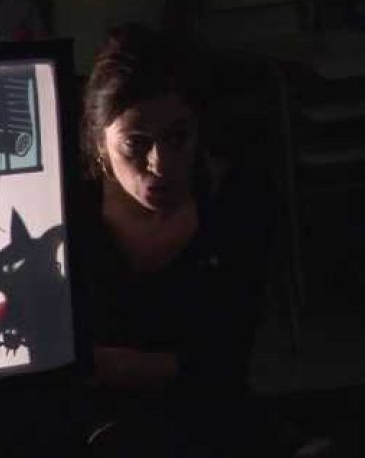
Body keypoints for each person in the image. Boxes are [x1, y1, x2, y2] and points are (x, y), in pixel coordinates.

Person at [74, 23, 281, 457]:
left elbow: (224, 364)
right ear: (99, 144)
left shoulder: (236, 202)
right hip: (93, 424)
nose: (161, 164)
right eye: (136, 144)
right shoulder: (71, 210)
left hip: (207, 418)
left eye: (178, 136)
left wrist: (96, 363)